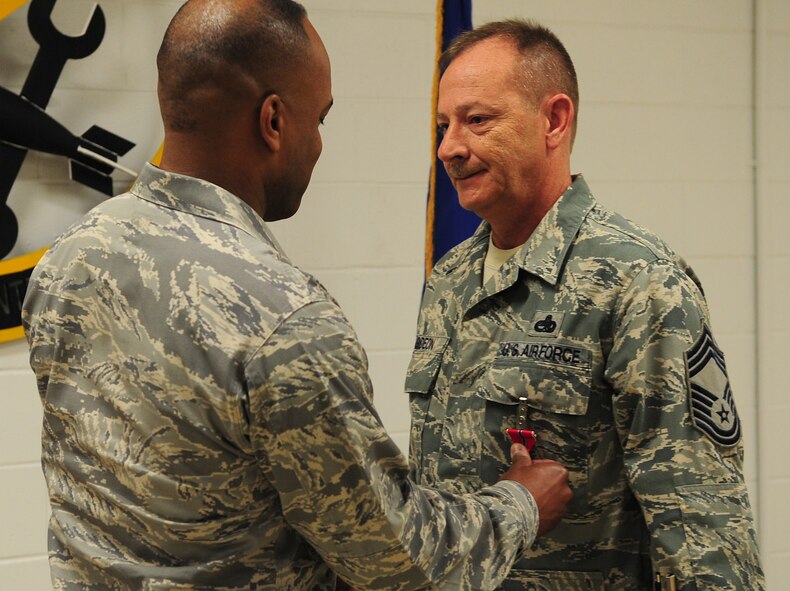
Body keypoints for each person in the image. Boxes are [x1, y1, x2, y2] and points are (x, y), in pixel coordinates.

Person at [21, 2, 575, 590]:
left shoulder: (69, 258)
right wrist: (520, 505)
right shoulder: (282, 318)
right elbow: (399, 563)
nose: (317, 145)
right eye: (320, 119)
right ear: (274, 121)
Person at [405, 18, 765, 591]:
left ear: (554, 119)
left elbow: (701, 526)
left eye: (477, 120)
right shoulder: (450, 281)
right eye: (443, 125)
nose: (449, 148)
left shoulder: (638, 281)